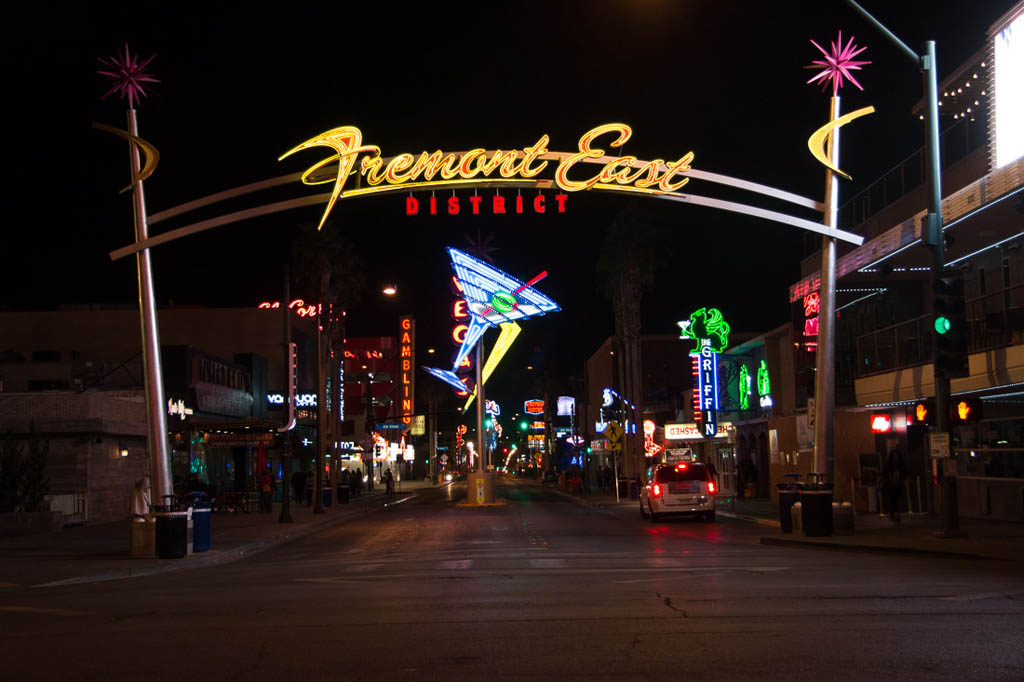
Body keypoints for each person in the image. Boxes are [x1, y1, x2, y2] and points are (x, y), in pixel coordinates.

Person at [882, 450, 907, 523]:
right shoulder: (890, 465)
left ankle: (896, 514)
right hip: (891, 485)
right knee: (892, 500)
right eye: (895, 455)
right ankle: (893, 515)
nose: (896, 457)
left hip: (897, 484)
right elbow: (885, 473)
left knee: (897, 500)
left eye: (896, 455)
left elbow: (905, 472)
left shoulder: (899, 465)